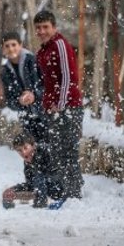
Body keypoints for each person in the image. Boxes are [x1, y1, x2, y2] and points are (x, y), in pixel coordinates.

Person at [34, 10, 84, 199]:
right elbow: (45, 81)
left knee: (68, 151)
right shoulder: (43, 51)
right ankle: (65, 191)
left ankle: (74, 193)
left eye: (45, 27)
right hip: (52, 109)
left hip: (68, 107)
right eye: (38, 28)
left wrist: (61, 104)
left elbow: (69, 77)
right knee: (56, 151)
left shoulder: (60, 45)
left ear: (54, 27)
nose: (41, 31)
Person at [0, 31, 45, 143]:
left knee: (48, 150)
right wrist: (19, 101)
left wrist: (35, 96)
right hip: (26, 119)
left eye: (14, 44)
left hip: (44, 113)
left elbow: (47, 87)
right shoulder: (5, 71)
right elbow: (9, 101)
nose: (11, 49)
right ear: (3, 49)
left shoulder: (33, 61)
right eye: (7, 46)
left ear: (20, 45)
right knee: (33, 153)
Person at [2, 133, 66, 209]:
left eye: (25, 148)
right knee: (9, 194)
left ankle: (41, 205)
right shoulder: (28, 162)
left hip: (62, 190)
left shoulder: (47, 152)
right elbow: (31, 184)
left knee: (39, 177)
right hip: (48, 192)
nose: (23, 153)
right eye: (19, 150)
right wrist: (14, 189)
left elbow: (56, 176)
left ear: (33, 145)